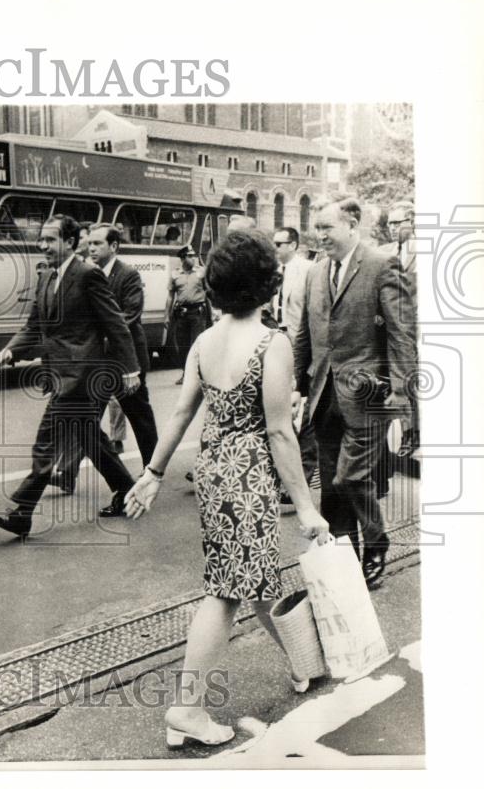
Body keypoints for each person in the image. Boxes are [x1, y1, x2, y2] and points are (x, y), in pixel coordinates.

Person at [125, 228, 330, 748]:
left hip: (215, 470)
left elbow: (181, 412)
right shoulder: (272, 343)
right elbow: (280, 432)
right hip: (250, 474)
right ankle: (187, 709)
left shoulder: (205, 341)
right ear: (267, 284)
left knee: (250, 576)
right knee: (226, 593)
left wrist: (152, 472)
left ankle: (304, 664)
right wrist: (306, 508)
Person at [0, 215, 140, 537]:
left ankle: (21, 511)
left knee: (46, 442)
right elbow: (33, 327)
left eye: (50, 240)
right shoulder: (46, 277)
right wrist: (9, 351)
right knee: (90, 439)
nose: (42, 245)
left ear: (70, 243)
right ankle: (127, 490)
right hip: (58, 373)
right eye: (41, 239)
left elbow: (115, 323)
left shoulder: (88, 275)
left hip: (82, 376)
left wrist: (130, 369)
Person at [292, 196, 417, 586]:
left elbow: (401, 335)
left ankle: (377, 544)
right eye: (318, 228)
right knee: (332, 489)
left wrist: (402, 395)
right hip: (323, 395)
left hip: (369, 398)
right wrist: (298, 386)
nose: (320, 234)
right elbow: (304, 335)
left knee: (350, 478)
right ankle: (347, 566)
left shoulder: (382, 265)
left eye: (327, 227)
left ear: (352, 224)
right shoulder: (315, 272)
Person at [52, 223, 159, 501]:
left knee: (140, 419)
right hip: (97, 362)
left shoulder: (128, 275)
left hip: (125, 362)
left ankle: (152, 469)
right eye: (90, 244)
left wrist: (95, 331)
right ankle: (66, 472)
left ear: (114, 246)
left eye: (98, 244)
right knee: (86, 418)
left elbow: (130, 315)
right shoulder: (87, 274)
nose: (92, 249)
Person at [271, 227, 318, 507]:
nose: (275, 247)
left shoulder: (308, 270)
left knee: (304, 411)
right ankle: (285, 475)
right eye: (273, 243)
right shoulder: (274, 271)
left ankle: (301, 477)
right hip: (279, 338)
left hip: (301, 342)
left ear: (294, 244)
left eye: (280, 243)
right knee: (283, 409)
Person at [381, 200, 420, 465]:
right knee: (400, 381)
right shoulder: (386, 252)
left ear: (412, 221)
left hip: (416, 328)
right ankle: (407, 433)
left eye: (398, 222)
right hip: (393, 328)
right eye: (389, 224)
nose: (393, 228)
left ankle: (414, 434)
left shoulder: (424, 250)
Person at [166, 246, 210, 385]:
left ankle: (200, 375)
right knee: (182, 345)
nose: (194, 258)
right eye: (190, 256)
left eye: (194, 255)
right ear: (183, 258)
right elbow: (170, 296)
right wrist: (166, 315)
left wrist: (214, 312)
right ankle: (186, 374)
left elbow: (208, 292)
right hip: (181, 313)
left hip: (197, 312)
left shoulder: (201, 272)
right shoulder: (175, 274)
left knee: (197, 344)